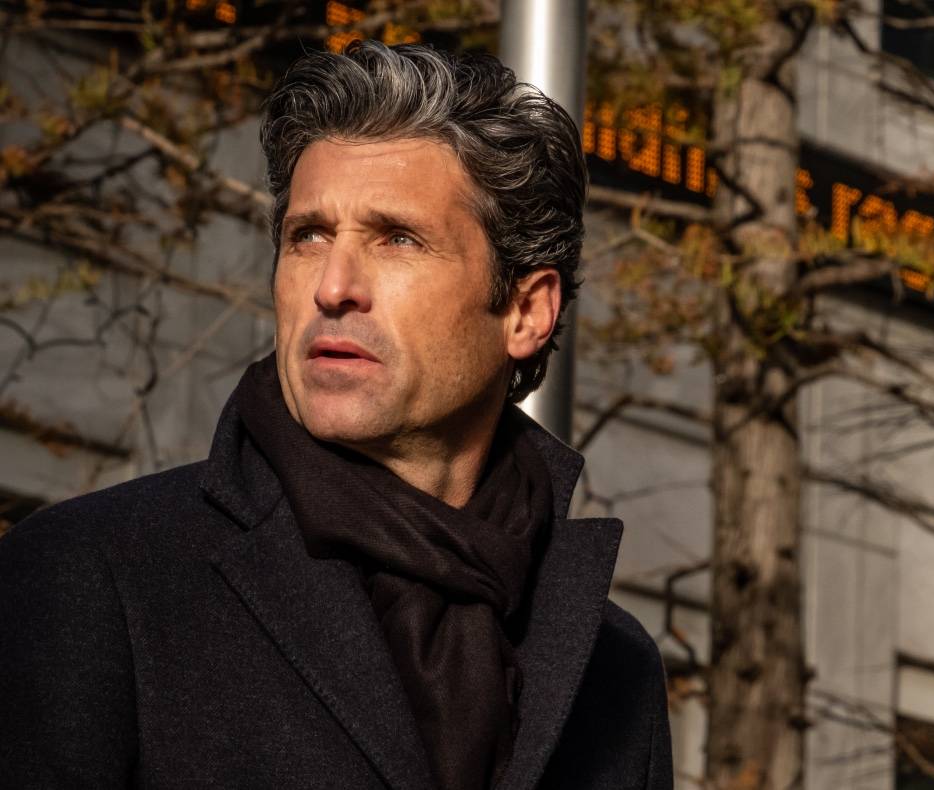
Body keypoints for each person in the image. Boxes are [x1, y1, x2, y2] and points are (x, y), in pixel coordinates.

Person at [0, 41, 671, 789]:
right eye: (308, 236)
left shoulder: (615, 671)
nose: (333, 286)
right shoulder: (90, 576)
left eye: (397, 239)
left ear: (525, 310)